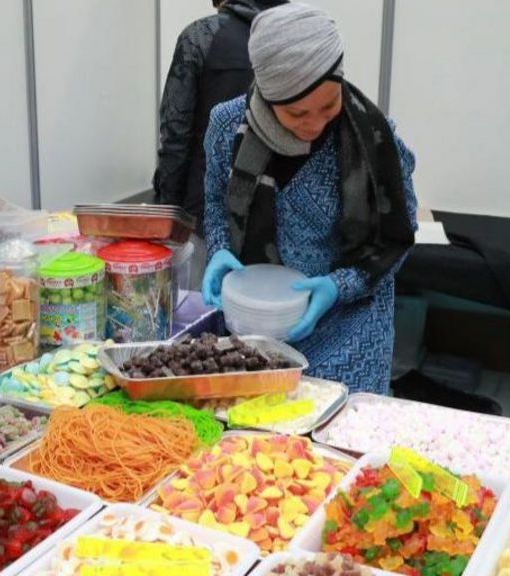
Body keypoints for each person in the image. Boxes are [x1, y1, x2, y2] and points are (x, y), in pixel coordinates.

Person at [200, 3, 418, 394]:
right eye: (297, 113)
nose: (315, 123)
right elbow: (216, 202)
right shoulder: (226, 127)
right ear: (267, 95)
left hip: (350, 337)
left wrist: (339, 286)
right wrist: (217, 247)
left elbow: (397, 237)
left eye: (329, 106)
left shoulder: (373, 142)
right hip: (255, 334)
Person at [154, 0, 287, 287]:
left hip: (203, 215)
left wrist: (168, 216)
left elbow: (175, 134)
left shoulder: (201, 37)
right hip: (280, 222)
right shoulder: (296, 37)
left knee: (202, 318)